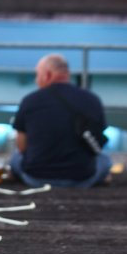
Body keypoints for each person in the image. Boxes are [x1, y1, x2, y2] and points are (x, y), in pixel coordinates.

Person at [10, 54, 112, 188]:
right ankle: (103, 178)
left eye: (37, 75)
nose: (36, 80)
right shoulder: (92, 99)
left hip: (35, 178)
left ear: (47, 75)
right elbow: (99, 140)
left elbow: (22, 146)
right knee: (104, 159)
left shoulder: (29, 101)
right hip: (82, 179)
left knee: (15, 158)